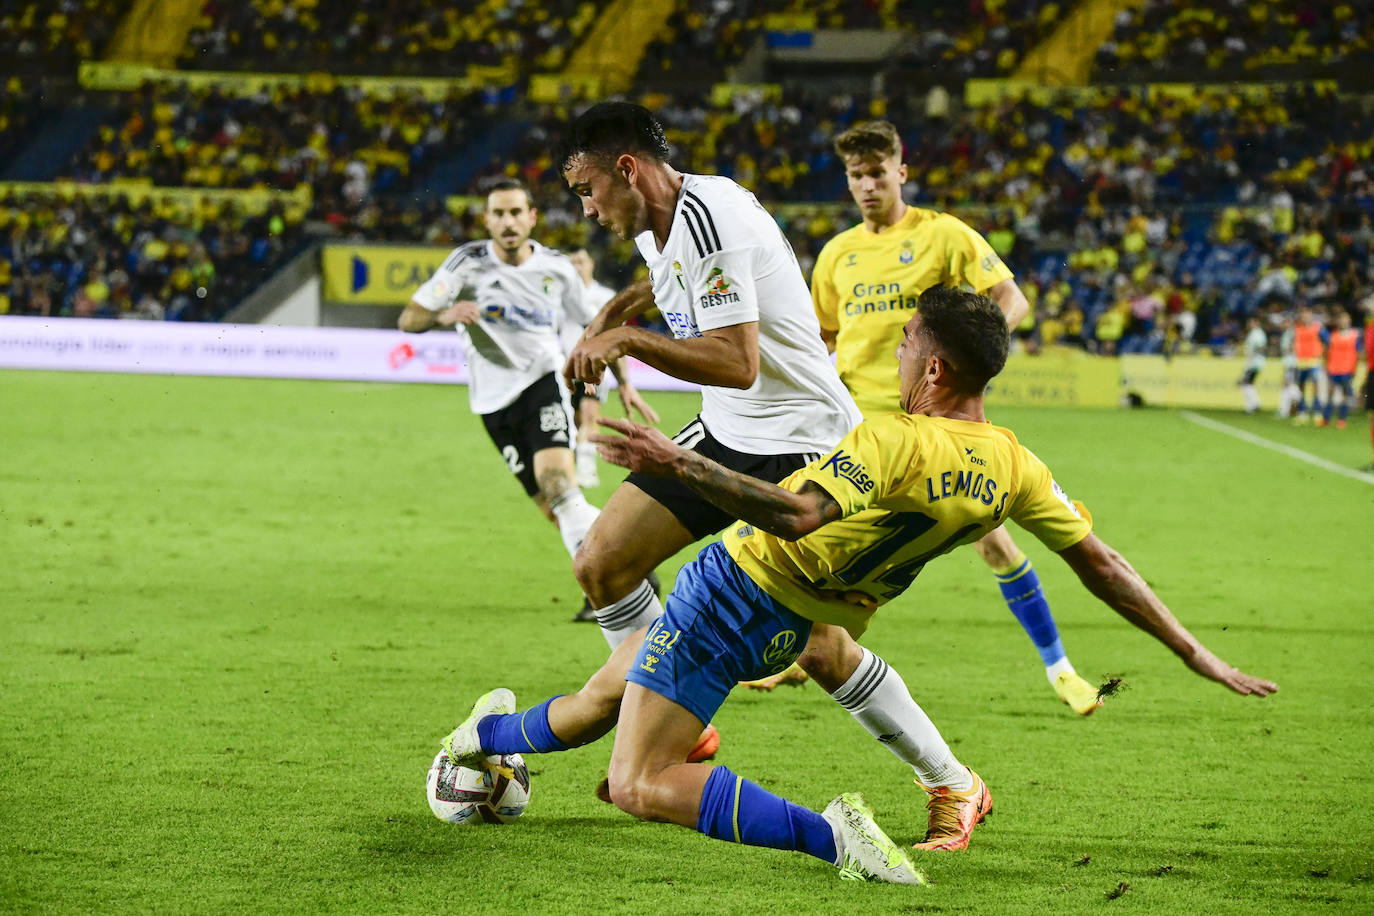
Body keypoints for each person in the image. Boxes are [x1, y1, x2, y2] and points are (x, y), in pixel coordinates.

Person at [440, 287, 1277, 881]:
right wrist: (1194, 651)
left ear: (938, 368)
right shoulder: (1019, 466)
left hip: (734, 589)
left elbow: (798, 514)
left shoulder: (892, 441)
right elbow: (1104, 563)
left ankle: (836, 841)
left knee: (638, 782)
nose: (900, 346)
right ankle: (481, 741)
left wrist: (677, 461)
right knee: (599, 701)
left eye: (911, 336)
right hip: (798, 622)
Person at [550, 100, 993, 819]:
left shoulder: (710, 216)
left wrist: (626, 342)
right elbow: (672, 281)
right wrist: (619, 311)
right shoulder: (659, 223)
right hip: (729, 432)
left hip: (803, 440)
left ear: (626, 170)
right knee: (601, 562)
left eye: (587, 190)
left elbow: (736, 360)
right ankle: (667, 711)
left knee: (821, 648)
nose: (589, 210)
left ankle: (955, 784)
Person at [801, 119, 1099, 715]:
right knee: (826, 545)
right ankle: (804, 653)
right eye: (856, 176)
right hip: (857, 429)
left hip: (932, 431)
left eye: (877, 174)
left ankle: (1060, 667)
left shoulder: (944, 236)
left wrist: (969, 354)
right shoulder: (837, 254)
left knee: (991, 543)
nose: (866, 186)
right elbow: (822, 337)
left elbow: (1011, 300)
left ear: (901, 172)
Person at [397, 179, 650, 580]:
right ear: (487, 220)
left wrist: (624, 381)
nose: (508, 222)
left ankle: (610, 581)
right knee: (554, 507)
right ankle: (621, 562)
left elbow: (594, 324)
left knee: (559, 484)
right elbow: (409, 318)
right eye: (499, 213)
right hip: (491, 402)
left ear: (532, 218)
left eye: (516, 212)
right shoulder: (466, 263)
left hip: (541, 383)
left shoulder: (556, 268)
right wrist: (442, 316)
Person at [562, 248, 658, 490]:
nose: (577, 266)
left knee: (589, 414)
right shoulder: (559, 296)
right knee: (571, 423)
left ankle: (586, 471)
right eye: (572, 262)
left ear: (591, 264)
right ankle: (575, 468)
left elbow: (616, 340)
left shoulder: (605, 297)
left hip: (593, 368)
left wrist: (624, 381)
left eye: (581, 261)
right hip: (562, 367)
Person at [1321, 309, 1361, 429]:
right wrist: (1326, 366)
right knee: (1330, 394)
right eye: (1341, 320)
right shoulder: (1332, 335)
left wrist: (1355, 368)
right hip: (1333, 369)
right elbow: (1326, 352)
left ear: (1349, 321)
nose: (1343, 322)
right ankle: (1326, 419)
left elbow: (1358, 353)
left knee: (1345, 395)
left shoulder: (1354, 335)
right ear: (1338, 322)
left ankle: (1341, 419)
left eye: (1345, 320)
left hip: (1347, 370)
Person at [1290, 304, 1329, 425]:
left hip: (1314, 361)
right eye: (1303, 315)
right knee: (1301, 388)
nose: (1305, 317)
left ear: (1311, 316)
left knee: (1315, 387)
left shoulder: (1318, 328)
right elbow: (1293, 343)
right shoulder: (1297, 328)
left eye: (1307, 315)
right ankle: (1303, 413)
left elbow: (1327, 341)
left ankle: (1318, 413)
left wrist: (1323, 356)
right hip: (1301, 362)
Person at [1239, 315, 1267, 414]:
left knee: (1245, 383)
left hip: (1255, 362)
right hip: (1252, 362)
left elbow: (1261, 346)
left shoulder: (1257, 333)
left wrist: (1253, 355)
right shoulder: (1253, 333)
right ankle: (1253, 405)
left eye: (1251, 322)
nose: (1249, 324)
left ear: (1256, 323)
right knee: (1247, 383)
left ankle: (1253, 405)